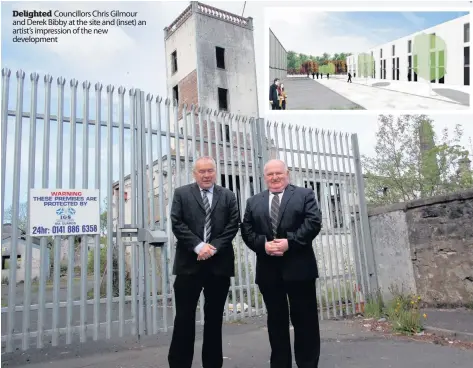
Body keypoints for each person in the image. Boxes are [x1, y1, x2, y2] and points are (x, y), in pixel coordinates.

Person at [241, 159, 322, 368]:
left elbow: (313, 222)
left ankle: (307, 363)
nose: (275, 177)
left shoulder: (305, 195)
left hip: (300, 269)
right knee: (276, 322)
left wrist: (290, 242)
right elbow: (247, 230)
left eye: (279, 173)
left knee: (305, 321)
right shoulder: (253, 202)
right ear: (264, 176)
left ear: (287, 174)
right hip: (269, 271)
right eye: (270, 174)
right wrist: (263, 245)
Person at [168, 156, 240, 368]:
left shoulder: (227, 196)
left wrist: (212, 248)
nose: (207, 175)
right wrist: (199, 246)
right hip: (188, 266)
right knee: (184, 319)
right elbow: (177, 223)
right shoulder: (182, 193)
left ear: (215, 172)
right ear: (194, 173)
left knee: (214, 319)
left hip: (219, 266)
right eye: (202, 171)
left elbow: (232, 225)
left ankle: (212, 364)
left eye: (210, 170)